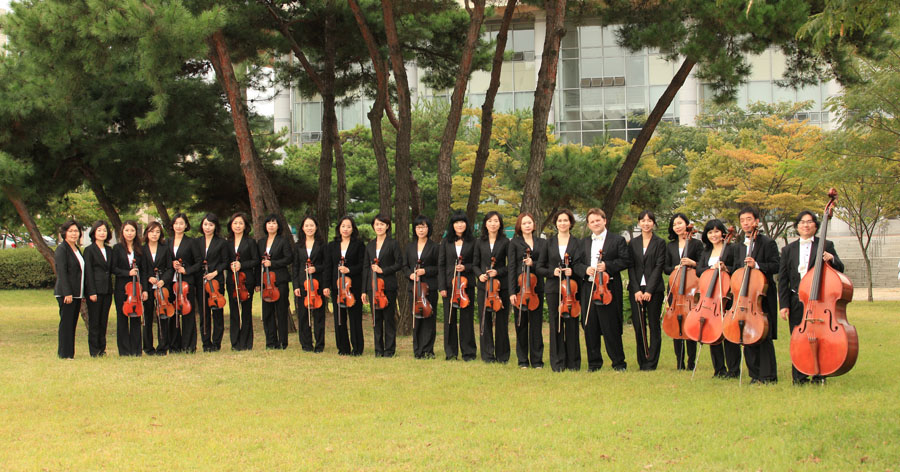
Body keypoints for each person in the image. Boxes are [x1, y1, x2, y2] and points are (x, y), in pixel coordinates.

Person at [778, 210, 844, 385]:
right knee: (798, 338)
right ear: (797, 226)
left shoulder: (826, 244)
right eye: (802, 222)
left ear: (816, 225)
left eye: (809, 222)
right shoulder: (788, 249)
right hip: (796, 300)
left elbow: (840, 268)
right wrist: (783, 305)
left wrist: (832, 259)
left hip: (819, 300)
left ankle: (819, 374)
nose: (805, 225)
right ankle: (799, 377)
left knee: (820, 337)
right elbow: (782, 280)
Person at [725, 207, 780, 384]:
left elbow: (776, 266)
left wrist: (757, 265)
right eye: (742, 220)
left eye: (749, 219)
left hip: (762, 295)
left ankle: (768, 375)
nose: (746, 223)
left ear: (756, 221)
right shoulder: (739, 246)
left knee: (764, 335)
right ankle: (754, 375)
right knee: (746, 334)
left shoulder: (768, 243)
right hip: (743, 297)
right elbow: (736, 269)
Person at [575, 208, 630, 372]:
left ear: (604, 221)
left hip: (608, 288)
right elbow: (576, 264)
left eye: (598, 220)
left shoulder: (617, 240)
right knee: (590, 326)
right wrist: (585, 270)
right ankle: (594, 364)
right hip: (589, 288)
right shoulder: (583, 242)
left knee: (610, 326)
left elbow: (626, 260)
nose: (595, 223)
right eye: (592, 221)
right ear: (588, 225)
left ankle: (618, 363)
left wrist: (607, 266)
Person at [537, 209, 584, 372]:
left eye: (565, 220)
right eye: (560, 221)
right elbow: (539, 267)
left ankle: (573, 363)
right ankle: (557, 362)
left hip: (572, 289)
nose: (562, 223)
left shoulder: (578, 243)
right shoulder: (548, 243)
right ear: (555, 223)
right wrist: (552, 272)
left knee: (572, 324)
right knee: (555, 324)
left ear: (571, 223)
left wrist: (573, 271)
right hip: (554, 289)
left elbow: (581, 265)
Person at [695, 219, 741, 378]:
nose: (713, 235)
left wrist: (725, 268)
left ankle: (733, 370)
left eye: (716, 231)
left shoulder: (732, 248)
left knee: (728, 332)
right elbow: (699, 271)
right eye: (710, 232)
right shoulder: (706, 251)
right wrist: (711, 268)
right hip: (710, 297)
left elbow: (738, 268)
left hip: (726, 294)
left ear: (722, 233)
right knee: (712, 331)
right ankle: (719, 369)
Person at [627, 210, 666, 371]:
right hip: (636, 289)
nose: (646, 223)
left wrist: (649, 290)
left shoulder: (660, 242)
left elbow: (659, 266)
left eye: (649, 220)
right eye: (643, 220)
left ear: (653, 223)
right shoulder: (633, 243)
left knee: (654, 325)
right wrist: (636, 290)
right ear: (639, 223)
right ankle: (642, 361)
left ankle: (652, 362)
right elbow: (630, 267)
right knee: (639, 326)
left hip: (654, 289)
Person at [663, 213, 704, 370]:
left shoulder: (696, 244)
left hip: (690, 290)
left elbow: (703, 265)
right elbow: (666, 268)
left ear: (687, 224)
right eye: (674, 224)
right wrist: (675, 267)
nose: (677, 227)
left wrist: (693, 263)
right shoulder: (670, 246)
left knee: (689, 324)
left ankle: (691, 362)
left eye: (680, 223)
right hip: (675, 288)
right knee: (676, 324)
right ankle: (679, 362)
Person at [507, 212, 546, 369]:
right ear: (519, 226)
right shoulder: (514, 243)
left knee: (536, 326)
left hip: (536, 288)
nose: (527, 225)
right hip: (520, 289)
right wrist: (511, 292)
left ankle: (537, 360)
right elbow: (511, 268)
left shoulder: (542, 243)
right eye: (524, 223)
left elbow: (544, 264)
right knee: (521, 325)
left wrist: (533, 264)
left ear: (534, 225)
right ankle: (522, 360)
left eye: (529, 222)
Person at [362, 214, 402, 358]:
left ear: (387, 226)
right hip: (373, 287)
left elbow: (399, 264)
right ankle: (378, 350)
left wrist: (383, 270)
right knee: (376, 319)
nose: (379, 227)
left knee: (389, 319)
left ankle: (389, 350)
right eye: (377, 224)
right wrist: (364, 290)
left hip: (388, 286)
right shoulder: (370, 245)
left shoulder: (393, 244)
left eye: (382, 224)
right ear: (373, 226)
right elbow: (366, 268)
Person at [439, 211, 478, 361]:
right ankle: (450, 352)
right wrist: (442, 287)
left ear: (466, 224)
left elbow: (476, 263)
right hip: (450, 285)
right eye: (456, 222)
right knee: (450, 319)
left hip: (466, 285)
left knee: (466, 319)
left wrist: (466, 267)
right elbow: (441, 265)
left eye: (462, 222)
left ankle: (469, 352)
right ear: (452, 225)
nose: (459, 225)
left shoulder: (473, 241)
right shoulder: (446, 242)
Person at [473, 211, 510, 363]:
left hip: (501, 287)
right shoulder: (479, 242)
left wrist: (498, 272)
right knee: (485, 320)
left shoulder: (506, 242)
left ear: (500, 223)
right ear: (485, 224)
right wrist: (479, 275)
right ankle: (487, 355)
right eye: (490, 221)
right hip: (484, 286)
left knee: (501, 321)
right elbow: (475, 264)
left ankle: (502, 355)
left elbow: (510, 265)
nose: (493, 224)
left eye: (495, 221)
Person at [327, 216, 365, 356]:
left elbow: (362, 264)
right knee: (339, 318)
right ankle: (343, 348)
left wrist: (349, 270)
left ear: (353, 229)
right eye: (343, 226)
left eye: (349, 226)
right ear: (339, 228)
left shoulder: (359, 245)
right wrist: (327, 285)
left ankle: (357, 348)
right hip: (337, 287)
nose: (346, 229)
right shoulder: (332, 245)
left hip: (353, 286)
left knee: (355, 318)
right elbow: (328, 266)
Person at [402, 215, 439, 359]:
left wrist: (425, 271)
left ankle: (428, 350)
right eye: (418, 227)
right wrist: (410, 274)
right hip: (414, 288)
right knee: (416, 318)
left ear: (428, 229)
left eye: (423, 227)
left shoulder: (435, 246)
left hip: (429, 287)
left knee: (429, 318)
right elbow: (404, 266)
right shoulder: (410, 247)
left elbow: (438, 267)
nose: (421, 230)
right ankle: (417, 350)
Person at [254, 214, 291, 350]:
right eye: (269, 223)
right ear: (265, 225)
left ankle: (282, 342)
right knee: (267, 313)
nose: (271, 225)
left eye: (274, 223)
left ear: (278, 226)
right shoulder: (261, 242)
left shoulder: (283, 241)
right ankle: (270, 341)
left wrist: (272, 263)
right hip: (265, 282)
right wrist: (258, 283)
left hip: (280, 281)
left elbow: (288, 258)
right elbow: (258, 263)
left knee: (281, 312)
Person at [195, 213, 229, 352]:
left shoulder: (221, 242)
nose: (207, 227)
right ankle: (206, 343)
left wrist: (215, 272)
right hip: (201, 281)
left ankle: (216, 343)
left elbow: (225, 261)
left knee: (217, 313)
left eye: (211, 225)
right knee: (204, 314)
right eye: (205, 224)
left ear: (215, 226)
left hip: (216, 281)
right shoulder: (196, 242)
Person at [293, 216, 326, 352]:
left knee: (318, 315)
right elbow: (295, 266)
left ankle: (319, 344)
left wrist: (316, 268)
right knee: (303, 315)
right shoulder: (298, 246)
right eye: (306, 225)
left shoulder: (322, 245)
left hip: (317, 284)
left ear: (316, 227)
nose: (309, 228)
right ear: (302, 228)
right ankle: (306, 344)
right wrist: (295, 286)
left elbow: (326, 264)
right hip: (303, 284)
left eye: (312, 225)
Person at [226, 212, 258, 351]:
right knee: (234, 311)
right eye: (235, 223)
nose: (238, 226)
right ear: (231, 225)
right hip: (232, 281)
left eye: (240, 223)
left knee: (246, 311)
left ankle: (246, 343)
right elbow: (224, 261)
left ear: (245, 226)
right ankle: (235, 342)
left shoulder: (250, 242)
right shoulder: (227, 242)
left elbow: (255, 260)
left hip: (246, 281)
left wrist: (242, 265)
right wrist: (230, 265)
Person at [111, 220, 144, 356]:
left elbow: (144, 270)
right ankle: (124, 350)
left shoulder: (140, 249)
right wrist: (127, 273)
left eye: (132, 230)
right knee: (122, 318)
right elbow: (113, 268)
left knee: (136, 317)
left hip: (137, 288)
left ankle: (136, 350)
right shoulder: (117, 248)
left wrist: (144, 289)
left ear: (136, 232)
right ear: (122, 232)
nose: (129, 233)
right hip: (122, 288)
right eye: (127, 230)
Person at [141, 221, 173, 355]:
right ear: (147, 233)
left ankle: (163, 347)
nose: (154, 234)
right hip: (148, 287)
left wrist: (163, 280)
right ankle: (148, 348)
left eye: (157, 232)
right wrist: (148, 278)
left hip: (162, 288)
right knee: (147, 317)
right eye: (151, 231)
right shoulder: (141, 249)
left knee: (163, 317)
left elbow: (170, 268)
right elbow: (141, 269)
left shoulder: (165, 249)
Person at [54, 220, 84, 359]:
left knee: (72, 324)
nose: (74, 234)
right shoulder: (62, 249)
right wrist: (67, 293)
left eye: (76, 231)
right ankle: (64, 353)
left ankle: (69, 353)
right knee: (66, 323)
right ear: (64, 233)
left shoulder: (77, 249)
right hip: (66, 294)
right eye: (71, 231)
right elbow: (62, 272)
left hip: (77, 293)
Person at [170, 213, 199, 353]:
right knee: (173, 314)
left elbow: (198, 262)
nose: (178, 226)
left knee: (188, 314)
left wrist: (186, 270)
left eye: (181, 223)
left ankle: (189, 346)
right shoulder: (167, 242)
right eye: (176, 223)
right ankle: (174, 345)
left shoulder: (191, 242)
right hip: (171, 282)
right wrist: (172, 263)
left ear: (186, 225)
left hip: (186, 283)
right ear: (172, 225)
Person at [83, 220, 112, 357]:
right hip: (95, 291)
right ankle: (94, 350)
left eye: (104, 230)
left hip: (107, 290)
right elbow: (88, 272)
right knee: (94, 321)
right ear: (94, 232)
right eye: (99, 230)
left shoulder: (109, 250)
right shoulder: (89, 250)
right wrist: (91, 291)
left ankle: (102, 348)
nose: (102, 233)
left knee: (103, 321)